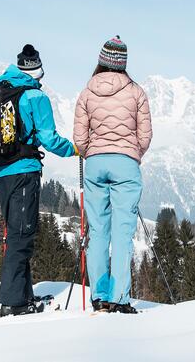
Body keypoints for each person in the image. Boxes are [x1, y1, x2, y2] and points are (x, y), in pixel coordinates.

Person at [0, 44, 78, 317]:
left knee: (15, 232)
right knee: (22, 234)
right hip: (24, 171)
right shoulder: (34, 97)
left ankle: (23, 294)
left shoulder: (0, 90)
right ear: (38, 73)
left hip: (1, 171)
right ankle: (14, 303)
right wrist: (75, 149)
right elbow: (48, 138)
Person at [73, 36, 152, 313]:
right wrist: (132, 154)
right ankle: (119, 298)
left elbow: (79, 139)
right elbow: (145, 136)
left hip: (94, 163)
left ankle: (99, 296)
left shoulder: (86, 93)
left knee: (98, 231)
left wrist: (91, 152)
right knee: (122, 233)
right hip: (126, 164)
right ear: (123, 63)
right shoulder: (136, 92)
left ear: (101, 60)